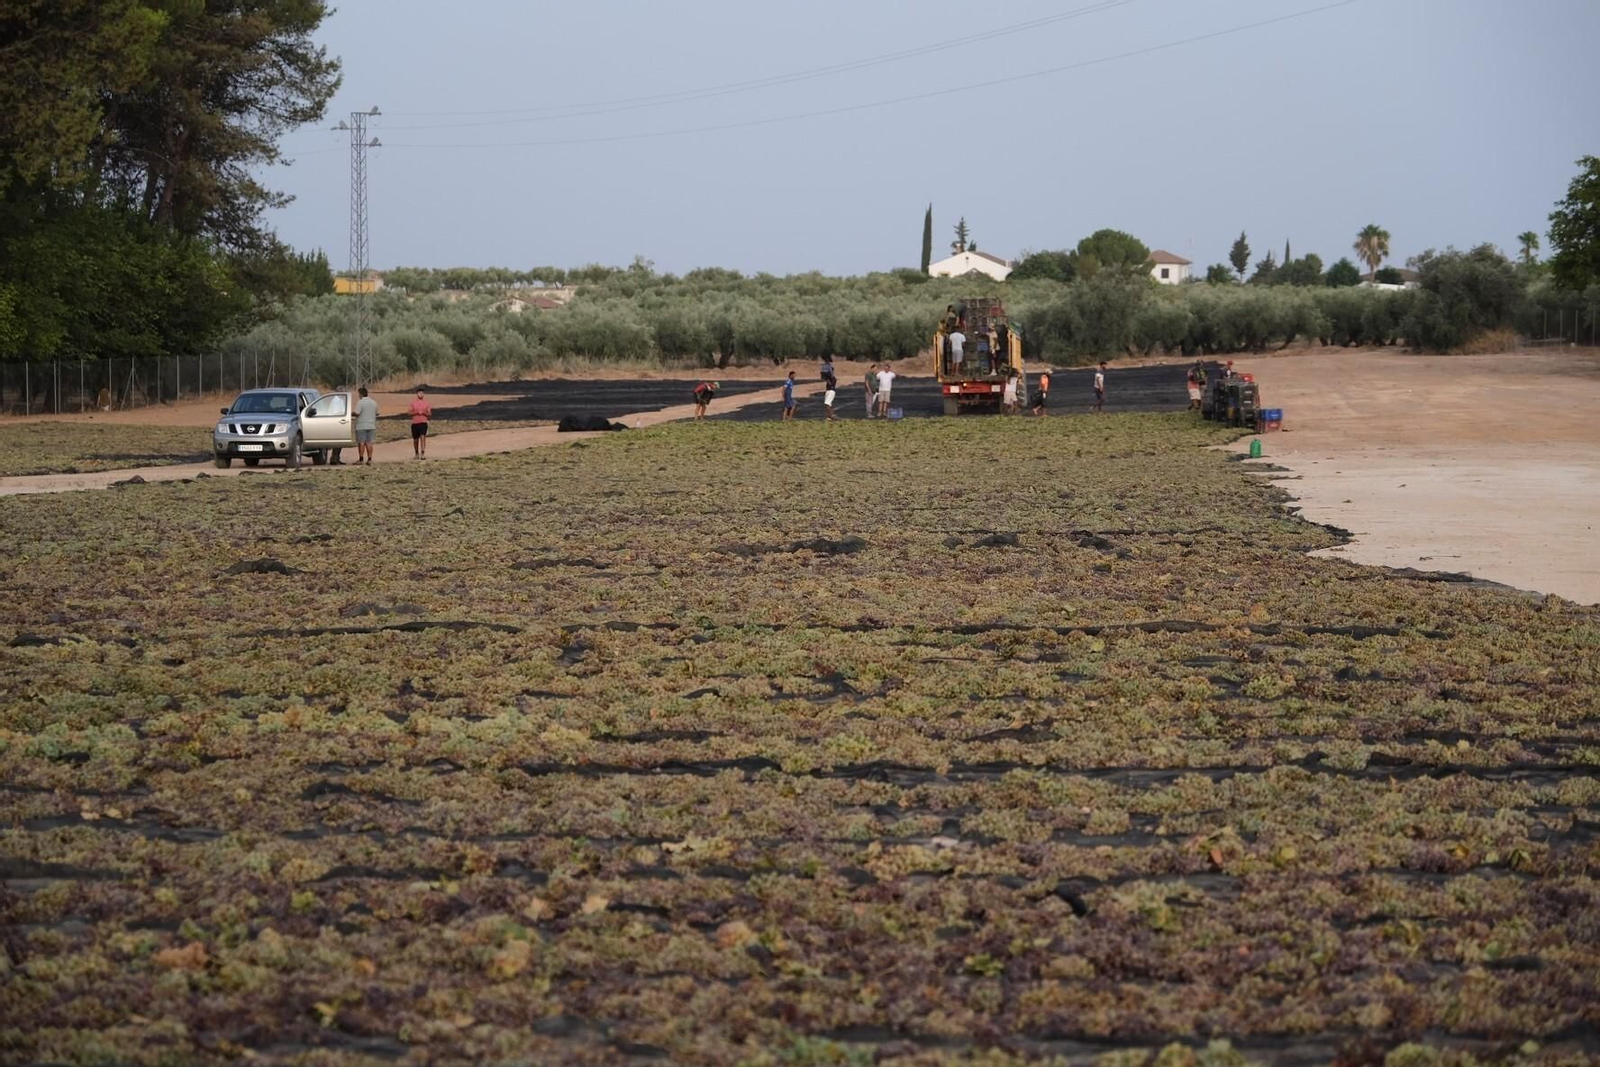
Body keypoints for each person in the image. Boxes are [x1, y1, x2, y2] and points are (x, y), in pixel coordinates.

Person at [355, 386, 379, 465]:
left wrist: (352, 413)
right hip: (371, 425)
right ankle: (369, 459)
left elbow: (357, 413)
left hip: (361, 425)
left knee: (361, 442)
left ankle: (361, 459)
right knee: (369, 442)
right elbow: (377, 413)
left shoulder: (360, 402)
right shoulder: (374, 402)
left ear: (361, 394)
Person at [409, 388, 433, 458]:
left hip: (423, 422)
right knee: (415, 439)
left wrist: (424, 412)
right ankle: (416, 453)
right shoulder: (413, 403)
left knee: (423, 437)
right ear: (417, 394)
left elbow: (429, 414)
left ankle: (422, 453)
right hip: (415, 423)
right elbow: (409, 412)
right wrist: (416, 412)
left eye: (422, 393)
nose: (421, 394)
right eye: (419, 393)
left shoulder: (426, 403)